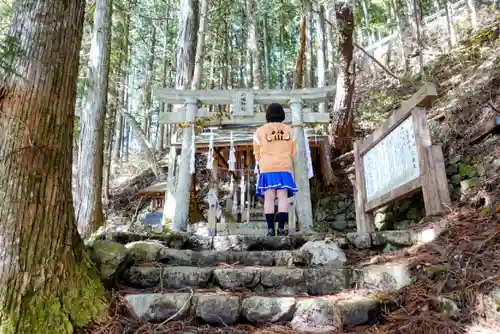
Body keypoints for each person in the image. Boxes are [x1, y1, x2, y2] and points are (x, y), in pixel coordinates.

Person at [253, 103, 298, 236]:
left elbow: (256, 152)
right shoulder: (290, 130)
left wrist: (262, 161)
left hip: (267, 167)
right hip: (284, 166)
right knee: (283, 197)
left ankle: (270, 229)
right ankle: (281, 228)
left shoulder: (259, 131)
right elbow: (293, 151)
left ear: (268, 115)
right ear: (282, 115)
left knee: (269, 198)